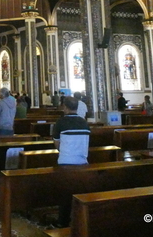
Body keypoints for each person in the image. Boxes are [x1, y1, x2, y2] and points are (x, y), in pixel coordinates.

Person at [52, 96, 91, 227]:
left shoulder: (61, 122)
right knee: (79, 191)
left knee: (65, 194)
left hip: (66, 162)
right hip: (82, 162)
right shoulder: (84, 122)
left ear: (65, 107)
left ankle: (62, 221)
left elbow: (57, 144)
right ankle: (80, 219)